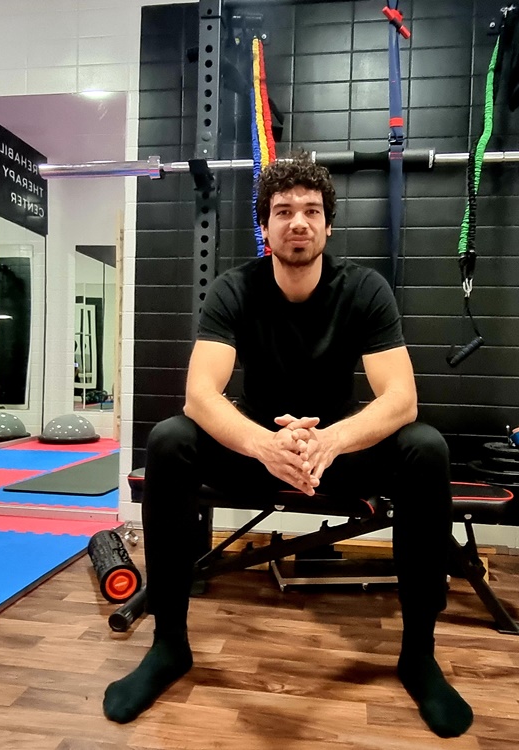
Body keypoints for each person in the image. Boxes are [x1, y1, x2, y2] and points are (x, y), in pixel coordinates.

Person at [103, 155, 473, 738]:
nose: (298, 221)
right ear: (265, 227)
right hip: (257, 453)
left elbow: (401, 399)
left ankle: (418, 656)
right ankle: (169, 645)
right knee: (170, 439)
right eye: (283, 211)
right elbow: (200, 395)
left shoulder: (365, 289)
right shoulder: (234, 289)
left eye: (311, 211)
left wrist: (329, 441)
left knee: (425, 448)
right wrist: (264, 445)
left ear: (328, 226)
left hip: (336, 454)